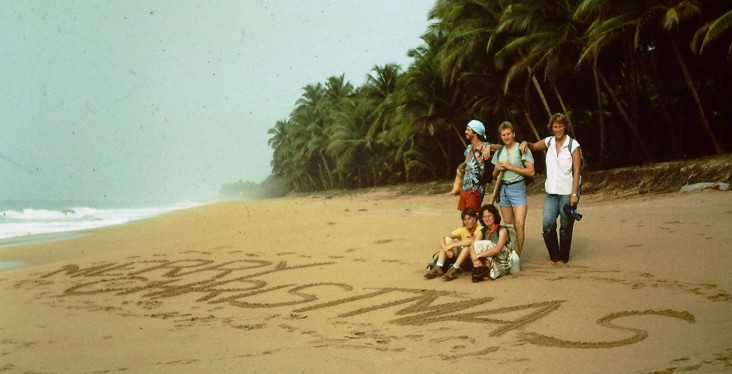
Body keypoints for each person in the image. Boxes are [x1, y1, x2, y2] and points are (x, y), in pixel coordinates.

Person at [520, 113, 582, 264]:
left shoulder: (573, 145)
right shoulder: (549, 142)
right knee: (547, 224)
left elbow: (577, 170)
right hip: (551, 191)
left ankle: (564, 258)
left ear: (565, 126)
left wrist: (574, 194)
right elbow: (534, 146)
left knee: (565, 226)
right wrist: (525, 143)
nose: (558, 129)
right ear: (551, 127)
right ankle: (554, 256)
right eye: (555, 126)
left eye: (560, 126)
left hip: (567, 191)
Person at [491, 121, 534, 256]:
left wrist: (510, 167)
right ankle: (511, 253)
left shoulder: (521, 149)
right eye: (503, 135)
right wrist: (497, 169)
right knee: (509, 225)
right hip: (502, 189)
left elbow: (531, 171)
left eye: (508, 134)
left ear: (513, 134)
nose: (506, 137)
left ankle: (517, 256)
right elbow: (493, 176)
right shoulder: (499, 152)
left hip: (517, 188)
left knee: (519, 224)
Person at [442, 204, 512, 282]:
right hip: (488, 258)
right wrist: (475, 259)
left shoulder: (502, 230)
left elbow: (497, 250)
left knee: (485, 244)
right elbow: (472, 245)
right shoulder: (483, 231)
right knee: (476, 245)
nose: (487, 219)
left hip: (502, 259)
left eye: (489, 216)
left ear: (494, 216)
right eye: (484, 217)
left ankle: (483, 271)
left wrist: (479, 256)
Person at [424, 207, 482, 279]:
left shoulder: (480, 229)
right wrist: (446, 249)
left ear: (475, 218)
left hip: (473, 259)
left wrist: (452, 246)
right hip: (461, 258)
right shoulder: (462, 230)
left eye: (469, 218)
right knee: (447, 240)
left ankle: (454, 269)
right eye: (465, 219)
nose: (467, 221)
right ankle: (439, 266)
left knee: (467, 247)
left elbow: (471, 240)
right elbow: (442, 238)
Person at [457, 120, 492, 212]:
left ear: (475, 133)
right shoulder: (468, 148)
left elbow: (500, 147)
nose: (465, 132)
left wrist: (489, 147)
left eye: (468, 130)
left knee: (472, 216)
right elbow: (467, 164)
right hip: (465, 188)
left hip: (476, 189)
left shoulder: (485, 146)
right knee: (465, 217)